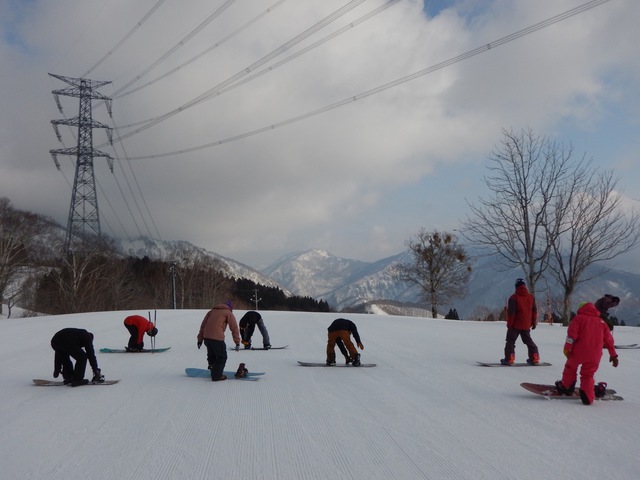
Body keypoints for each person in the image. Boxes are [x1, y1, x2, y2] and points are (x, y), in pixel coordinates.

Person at [555, 302, 619, 405]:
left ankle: (566, 387)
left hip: (578, 352)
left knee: (570, 368)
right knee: (588, 375)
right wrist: (613, 355)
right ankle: (587, 397)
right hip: (595, 355)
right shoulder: (602, 322)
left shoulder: (579, 319)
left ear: (581, 308)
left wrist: (567, 348)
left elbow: (571, 336)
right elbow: (609, 341)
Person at [197, 301, 241, 381]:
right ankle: (217, 376)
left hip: (207, 337)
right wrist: (237, 342)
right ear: (230, 308)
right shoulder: (228, 312)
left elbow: (203, 326)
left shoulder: (211, 311)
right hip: (217, 338)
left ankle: (213, 369)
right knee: (222, 357)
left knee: (211, 355)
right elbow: (234, 327)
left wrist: (200, 339)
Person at [500, 278, 540, 365]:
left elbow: (511, 314)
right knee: (528, 341)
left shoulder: (513, 298)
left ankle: (509, 358)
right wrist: (533, 322)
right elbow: (534, 311)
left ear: (516, 287)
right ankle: (535, 357)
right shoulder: (531, 297)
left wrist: (509, 325)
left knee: (510, 341)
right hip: (526, 324)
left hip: (515, 325)